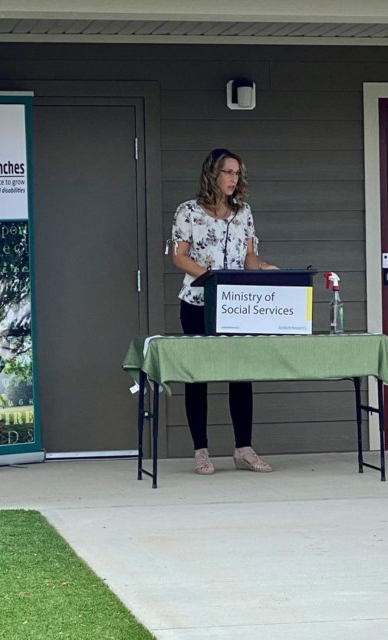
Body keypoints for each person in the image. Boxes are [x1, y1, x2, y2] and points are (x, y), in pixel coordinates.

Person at [171, 148, 279, 475]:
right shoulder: (188, 211)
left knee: (241, 374)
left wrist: (265, 268)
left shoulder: (243, 212)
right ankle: (201, 452)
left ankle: (243, 449)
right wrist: (210, 279)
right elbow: (179, 255)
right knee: (198, 376)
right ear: (212, 174)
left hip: (236, 305)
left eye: (236, 173)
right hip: (197, 303)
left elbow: (249, 256)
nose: (233, 179)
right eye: (227, 172)